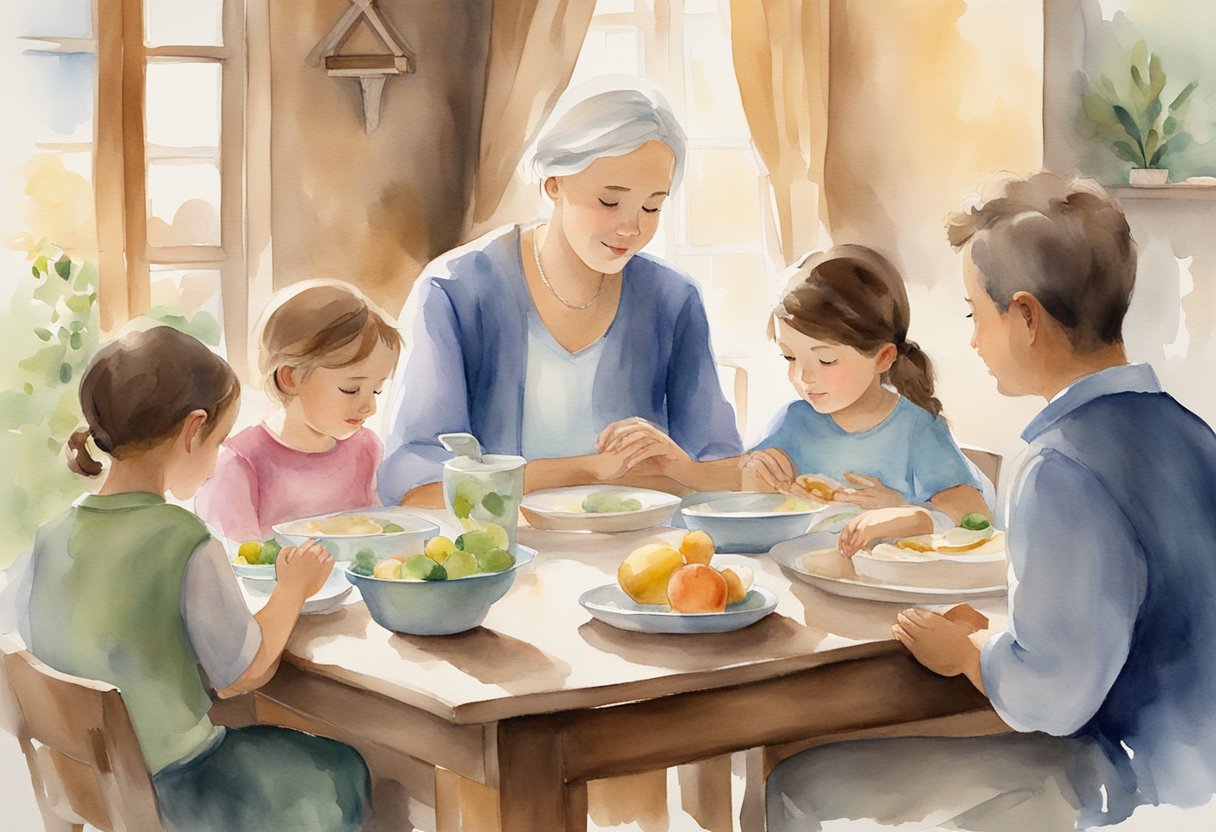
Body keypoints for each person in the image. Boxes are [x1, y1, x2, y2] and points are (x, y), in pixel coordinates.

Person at [766, 173, 1216, 830]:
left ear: (1026, 317)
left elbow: (1052, 697)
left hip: (1125, 782)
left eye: (977, 314)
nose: (973, 340)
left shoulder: (1064, 465)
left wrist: (967, 654)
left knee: (803, 787)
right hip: (1198, 775)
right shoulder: (1191, 433)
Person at [0, 326, 370, 832]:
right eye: (218, 442)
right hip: (182, 791)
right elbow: (243, 674)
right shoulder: (184, 538)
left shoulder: (51, 536)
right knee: (343, 769)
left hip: (79, 780)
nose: (218, 460)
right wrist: (291, 589)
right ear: (193, 430)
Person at [378, 81, 742, 506]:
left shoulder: (672, 299)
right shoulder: (456, 288)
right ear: (554, 185)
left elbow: (720, 463)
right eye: (609, 201)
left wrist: (684, 468)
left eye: (652, 206)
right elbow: (412, 480)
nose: (632, 227)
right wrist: (587, 469)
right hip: (497, 549)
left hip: (642, 549)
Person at [668, 245, 990, 551]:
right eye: (790, 358)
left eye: (826, 361)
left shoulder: (915, 427)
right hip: (804, 576)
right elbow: (744, 480)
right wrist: (753, 472)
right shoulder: (795, 420)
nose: (803, 377)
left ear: (882, 358)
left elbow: (974, 513)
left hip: (886, 584)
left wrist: (904, 510)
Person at [195, 281, 403, 542]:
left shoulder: (366, 450)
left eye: (377, 391)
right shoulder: (240, 464)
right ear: (290, 378)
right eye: (351, 389)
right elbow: (235, 565)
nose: (369, 407)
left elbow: (375, 536)